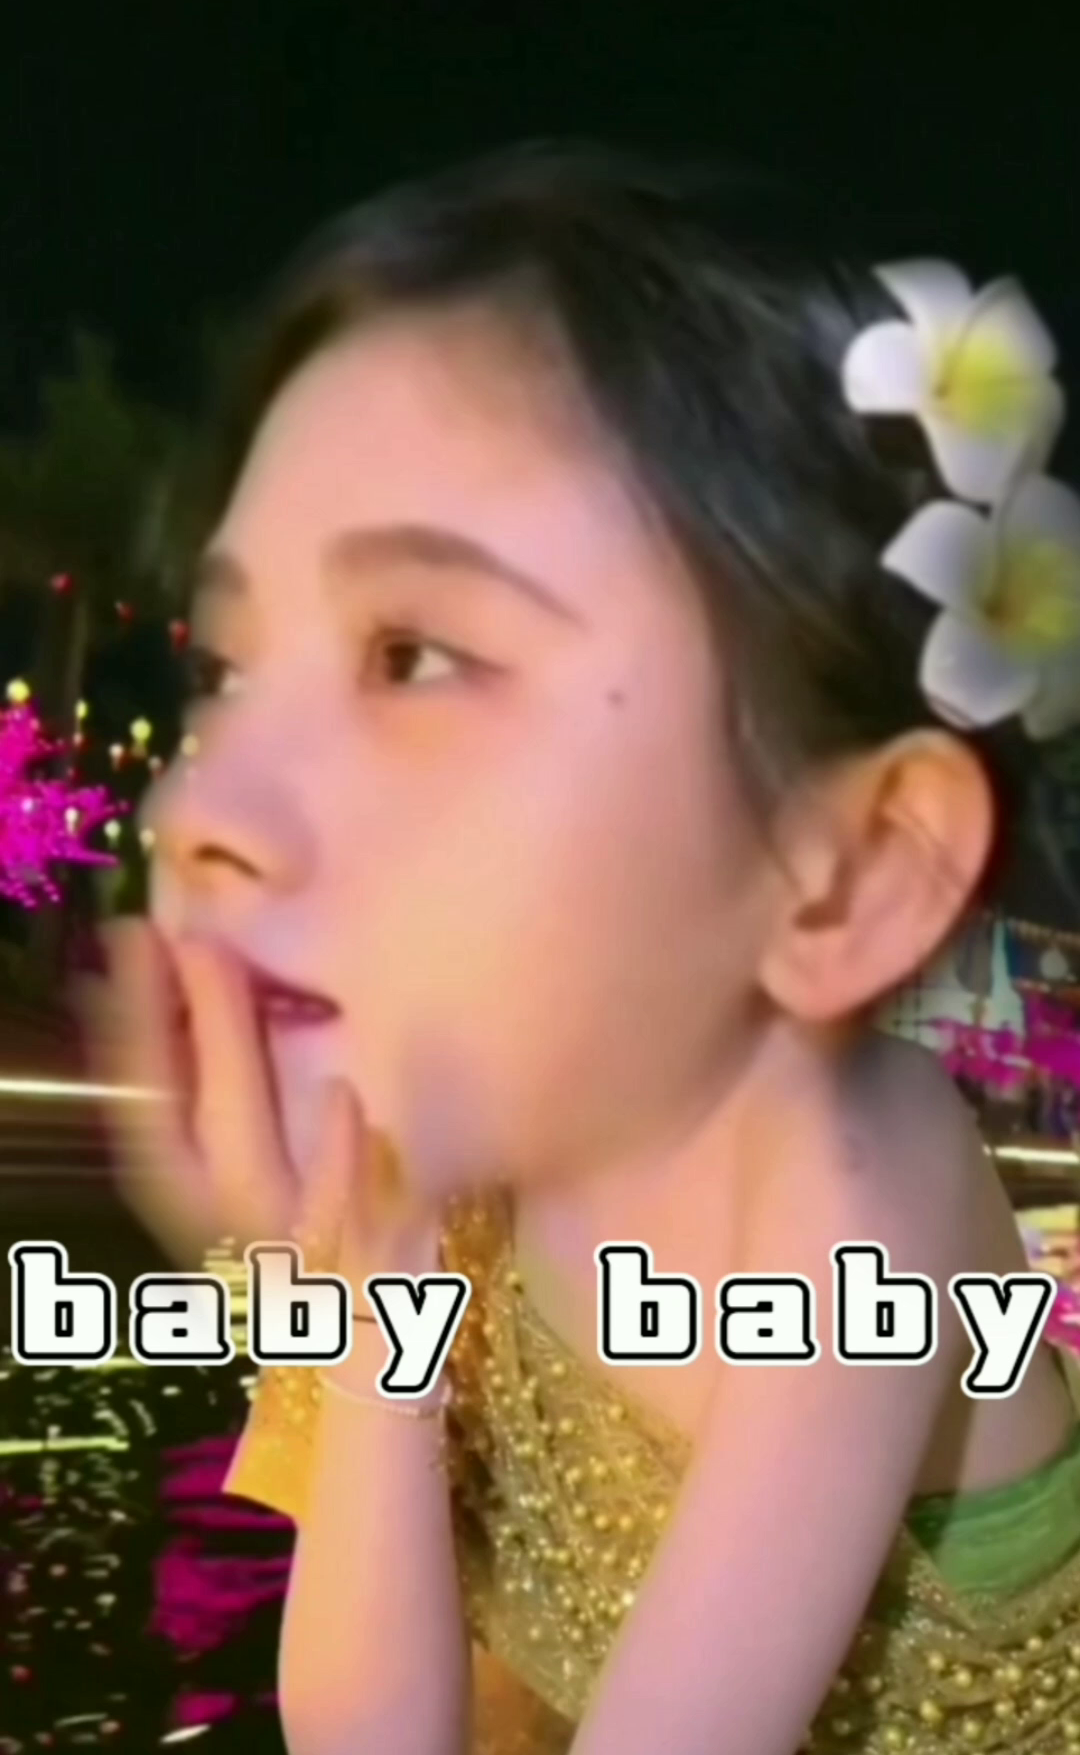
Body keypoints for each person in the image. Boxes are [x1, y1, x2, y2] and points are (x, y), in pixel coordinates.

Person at [84, 143, 1080, 1755]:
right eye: (230, 668)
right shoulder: (444, 1144)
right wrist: (365, 1294)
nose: (202, 810)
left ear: (845, 879)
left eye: (414, 655)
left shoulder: (853, 1182)